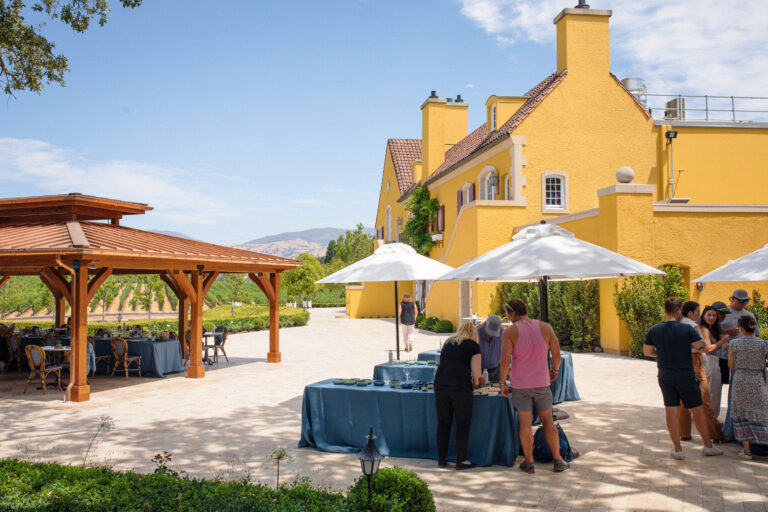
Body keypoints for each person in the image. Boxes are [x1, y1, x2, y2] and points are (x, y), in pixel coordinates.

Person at [644, 297, 723, 459]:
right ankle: (707, 445)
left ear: (665, 310)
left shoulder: (654, 330)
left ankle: (677, 449)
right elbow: (702, 347)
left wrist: (664, 353)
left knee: (671, 411)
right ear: (679, 311)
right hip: (685, 374)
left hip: (665, 374)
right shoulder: (687, 330)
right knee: (697, 410)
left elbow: (647, 352)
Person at [500, 299, 569, 474]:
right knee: (548, 421)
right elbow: (556, 352)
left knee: (525, 423)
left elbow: (504, 361)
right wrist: (554, 370)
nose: (508, 317)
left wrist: (502, 383)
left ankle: (529, 461)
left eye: (508, 314)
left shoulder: (510, 333)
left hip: (521, 385)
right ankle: (558, 459)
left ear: (513, 313)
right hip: (542, 383)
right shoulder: (546, 328)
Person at [433, 321, 483, 470]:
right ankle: (461, 460)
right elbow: (476, 373)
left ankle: (441, 459)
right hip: (460, 386)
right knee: (462, 424)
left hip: (441, 384)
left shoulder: (448, 342)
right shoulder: (473, 346)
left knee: (443, 423)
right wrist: (478, 381)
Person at [678, 302, 726, 443]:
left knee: (683, 400)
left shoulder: (679, 324)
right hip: (695, 362)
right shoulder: (693, 326)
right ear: (691, 313)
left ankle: (684, 432)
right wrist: (720, 342)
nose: (698, 315)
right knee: (704, 400)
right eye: (697, 312)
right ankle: (716, 434)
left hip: (682, 362)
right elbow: (703, 347)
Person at [728, 315, 768, 460]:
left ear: (741, 328)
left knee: (742, 414)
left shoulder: (735, 343)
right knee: (762, 412)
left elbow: (731, 365)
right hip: (758, 380)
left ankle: (747, 451)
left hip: (740, 380)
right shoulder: (763, 343)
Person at [718, 290, 760, 385]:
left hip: (741, 356)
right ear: (733, 299)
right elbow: (711, 329)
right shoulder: (722, 312)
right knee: (719, 383)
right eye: (741, 301)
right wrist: (727, 330)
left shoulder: (749, 315)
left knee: (737, 383)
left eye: (746, 300)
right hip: (722, 354)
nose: (744, 303)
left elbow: (756, 335)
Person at [699, 304, 730, 420]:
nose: (711, 317)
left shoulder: (714, 329)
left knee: (712, 393)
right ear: (703, 316)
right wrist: (722, 342)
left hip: (712, 362)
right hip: (710, 362)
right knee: (714, 394)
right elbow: (708, 348)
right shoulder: (704, 329)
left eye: (714, 315)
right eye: (709, 315)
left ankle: (710, 420)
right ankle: (712, 422)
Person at [477, 314, 503, 383]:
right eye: (489, 331)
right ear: (485, 324)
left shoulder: (502, 331)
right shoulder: (476, 333)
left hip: (496, 369)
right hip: (480, 371)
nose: (491, 334)